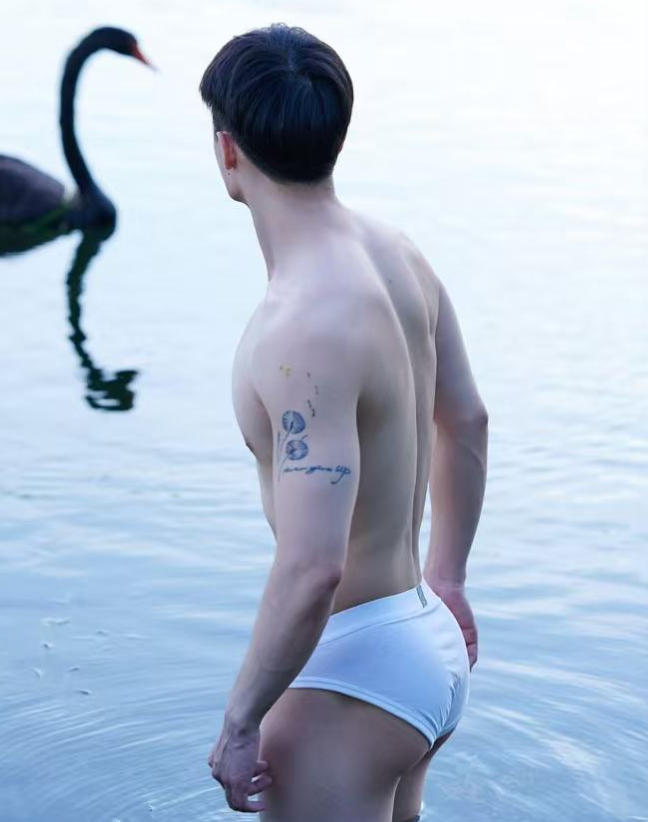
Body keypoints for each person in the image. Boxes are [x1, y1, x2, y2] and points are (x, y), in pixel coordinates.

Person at [200, 22, 488, 822]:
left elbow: (313, 565)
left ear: (228, 151)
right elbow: (466, 420)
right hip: (420, 634)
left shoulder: (300, 328)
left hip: (354, 669)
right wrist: (450, 579)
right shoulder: (399, 254)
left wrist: (240, 721)